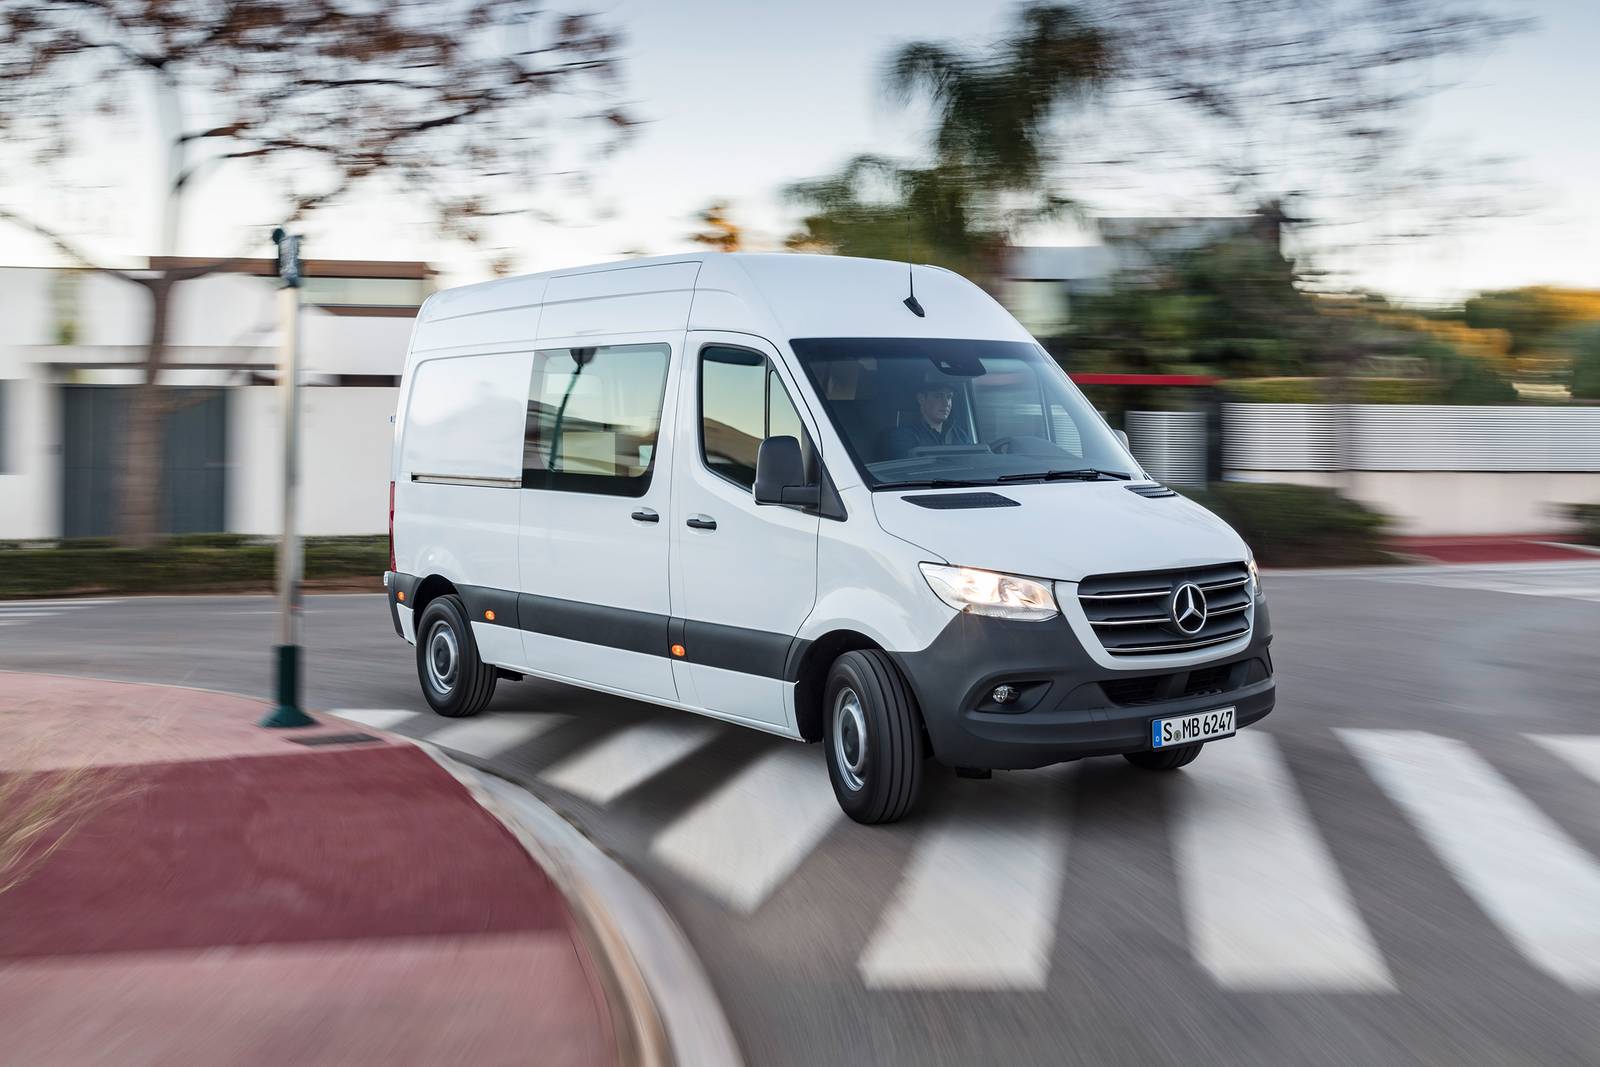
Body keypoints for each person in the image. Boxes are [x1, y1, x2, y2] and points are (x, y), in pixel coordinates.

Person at [882, 371, 974, 459]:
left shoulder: (960, 435)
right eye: (938, 396)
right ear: (921, 399)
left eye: (949, 397)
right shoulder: (904, 436)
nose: (946, 403)